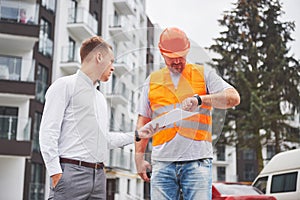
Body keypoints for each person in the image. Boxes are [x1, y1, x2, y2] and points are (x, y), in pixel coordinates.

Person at [39, 36, 158, 199]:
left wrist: (137, 135)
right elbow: (48, 132)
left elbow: (103, 139)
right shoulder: (64, 86)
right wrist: (55, 173)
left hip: (99, 177)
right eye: (111, 61)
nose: (113, 68)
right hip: (70, 174)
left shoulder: (100, 98)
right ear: (99, 57)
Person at [134, 27, 240, 200]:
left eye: (180, 56)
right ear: (162, 53)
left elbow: (233, 98)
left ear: (188, 49)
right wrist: (139, 158)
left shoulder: (204, 74)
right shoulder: (152, 81)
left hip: (197, 162)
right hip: (162, 163)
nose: (176, 61)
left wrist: (201, 100)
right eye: (171, 58)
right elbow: (142, 122)